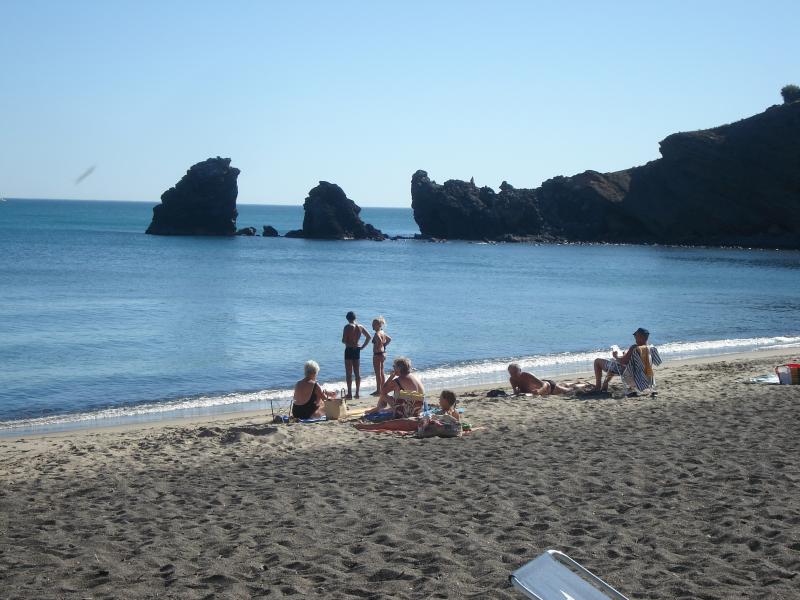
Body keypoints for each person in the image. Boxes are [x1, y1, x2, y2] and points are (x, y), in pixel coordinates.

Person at [592, 327, 651, 392]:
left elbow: (623, 362)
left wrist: (616, 356)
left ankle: (598, 386)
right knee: (614, 365)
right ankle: (605, 383)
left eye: (636, 336)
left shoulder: (634, 348)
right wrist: (625, 355)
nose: (635, 338)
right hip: (642, 375)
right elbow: (634, 362)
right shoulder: (649, 348)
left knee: (597, 361)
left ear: (640, 337)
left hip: (628, 374)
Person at [342, 311, 371, 399]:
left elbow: (343, 340)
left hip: (349, 349)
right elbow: (369, 337)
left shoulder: (347, 327)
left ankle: (350, 393)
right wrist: (362, 346)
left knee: (349, 373)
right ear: (355, 318)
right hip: (357, 350)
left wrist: (348, 342)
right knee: (357, 372)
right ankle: (357, 393)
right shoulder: (360, 327)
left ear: (347, 318)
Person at [507, 363, 578, 395]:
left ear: (520, 371)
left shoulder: (527, 375)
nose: (513, 375)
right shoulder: (512, 379)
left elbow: (543, 384)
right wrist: (516, 392)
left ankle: (579, 385)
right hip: (543, 386)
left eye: (515, 372)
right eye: (511, 373)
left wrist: (539, 391)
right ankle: (573, 383)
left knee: (569, 390)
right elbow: (515, 391)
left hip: (549, 387)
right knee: (563, 385)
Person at [370, 316, 392, 397]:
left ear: (377, 325)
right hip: (383, 354)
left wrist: (378, 346)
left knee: (377, 373)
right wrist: (384, 345)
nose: (372, 326)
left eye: (373, 324)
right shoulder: (383, 332)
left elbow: (379, 340)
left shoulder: (377, 333)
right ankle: (383, 388)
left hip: (377, 354)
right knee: (382, 372)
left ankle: (378, 390)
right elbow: (389, 339)